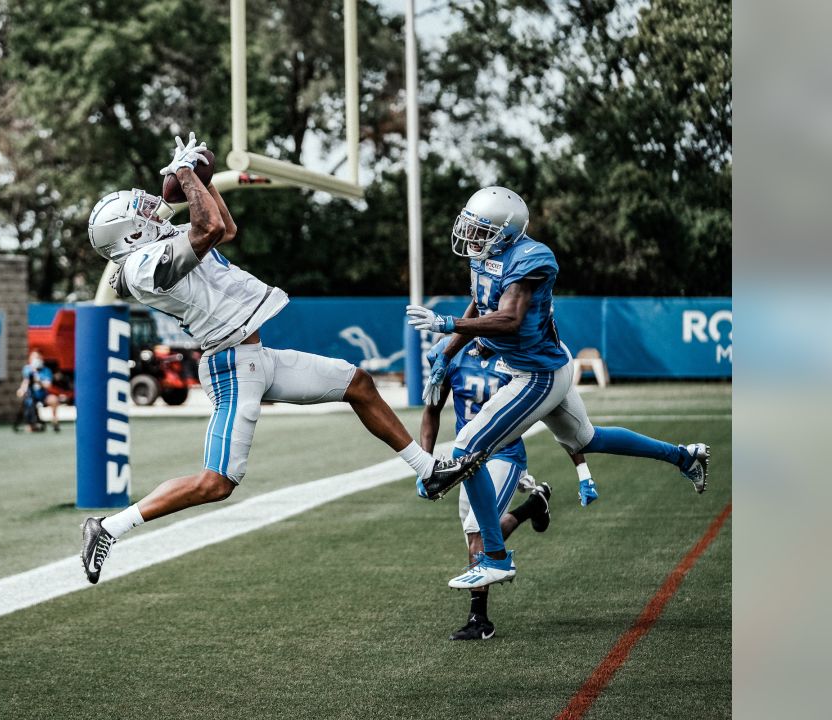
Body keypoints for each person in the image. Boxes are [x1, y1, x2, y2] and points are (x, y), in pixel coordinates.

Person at [78, 133, 484, 584]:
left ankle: (428, 471)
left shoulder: (156, 245)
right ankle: (108, 528)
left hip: (256, 357)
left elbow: (223, 228)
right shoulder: (139, 268)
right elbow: (207, 230)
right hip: (231, 367)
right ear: (130, 233)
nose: (150, 205)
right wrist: (187, 174)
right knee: (217, 483)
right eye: (140, 210)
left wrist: (201, 177)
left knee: (358, 383)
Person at [406, 186, 710, 591]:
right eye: (471, 227)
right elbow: (481, 303)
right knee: (588, 437)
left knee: (465, 450)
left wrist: (448, 326)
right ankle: (683, 457)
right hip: (546, 363)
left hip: (536, 374)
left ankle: (495, 557)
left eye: (482, 230)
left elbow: (510, 317)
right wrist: (448, 351)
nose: (471, 237)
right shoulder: (489, 257)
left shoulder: (532, 258)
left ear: (507, 231)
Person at [419, 337, 592, 640]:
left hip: (504, 454)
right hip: (467, 457)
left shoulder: (517, 354)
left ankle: (479, 619)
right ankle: (533, 506)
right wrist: (425, 464)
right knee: (481, 536)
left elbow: (560, 414)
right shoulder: (454, 353)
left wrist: (582, 468)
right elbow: (432, 411)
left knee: (477, 533)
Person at [16, 351, 64, 433]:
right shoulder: (27, 369)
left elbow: (48, 385)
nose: (36, 360)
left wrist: (38, 381)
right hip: (31, 397)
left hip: (43, 396)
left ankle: (54, 421)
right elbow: (26, 381)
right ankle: (32, 423)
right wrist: (21, 390)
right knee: (31, 427)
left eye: (38, 357)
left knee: (53, 399)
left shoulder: (46, 370)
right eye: (34, 358)